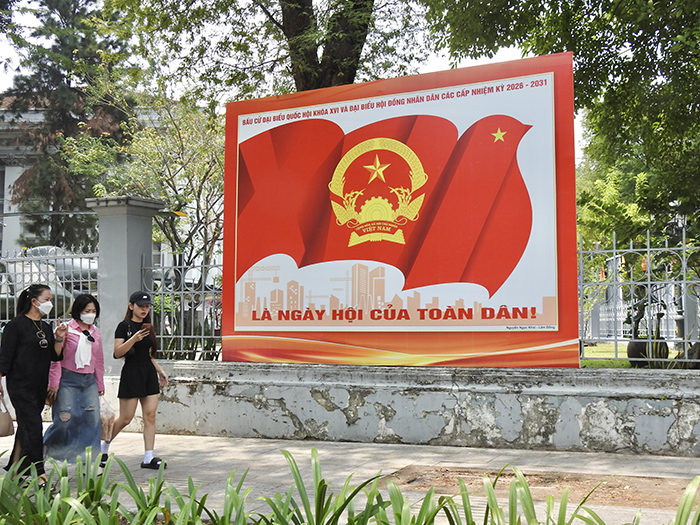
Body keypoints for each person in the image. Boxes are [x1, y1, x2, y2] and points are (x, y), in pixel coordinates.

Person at [0, 284, 66, 485]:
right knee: (34, 427)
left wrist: (59, 338)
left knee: (26, 427)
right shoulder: (16, 325)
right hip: (20, 385)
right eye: (47, 299)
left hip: (39, 385)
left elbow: (54, 356)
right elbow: (5, 357)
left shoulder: (45, 327)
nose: (50, 303)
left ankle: (14, 470)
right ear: (34, 301)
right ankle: (39, 473)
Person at [101, 291, 168, 469]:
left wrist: (160, 371)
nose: (144, 309)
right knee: (126, 418)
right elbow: (117, 353)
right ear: (131, 306)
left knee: (150, 416)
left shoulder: (148, 327)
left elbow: (148, 354)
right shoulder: (124, 326)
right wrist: (134, 339)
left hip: (148, 373)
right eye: (140, 306)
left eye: (147, 306)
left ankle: (148, 457)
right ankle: (102, 448)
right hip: (131, 372)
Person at [43, 294, 105, 462]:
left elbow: (98, 360)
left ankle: (89, 461)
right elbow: (55, 359)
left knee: (92, 421)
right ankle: (46, 448)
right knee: (64, 420)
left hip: (89, 381)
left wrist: (100, 383)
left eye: (93, 311)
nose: (90, 314)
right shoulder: (66, 329)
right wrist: (54, 383)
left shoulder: (95, 331)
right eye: (87, 311)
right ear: (78, 311)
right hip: (67, 380)